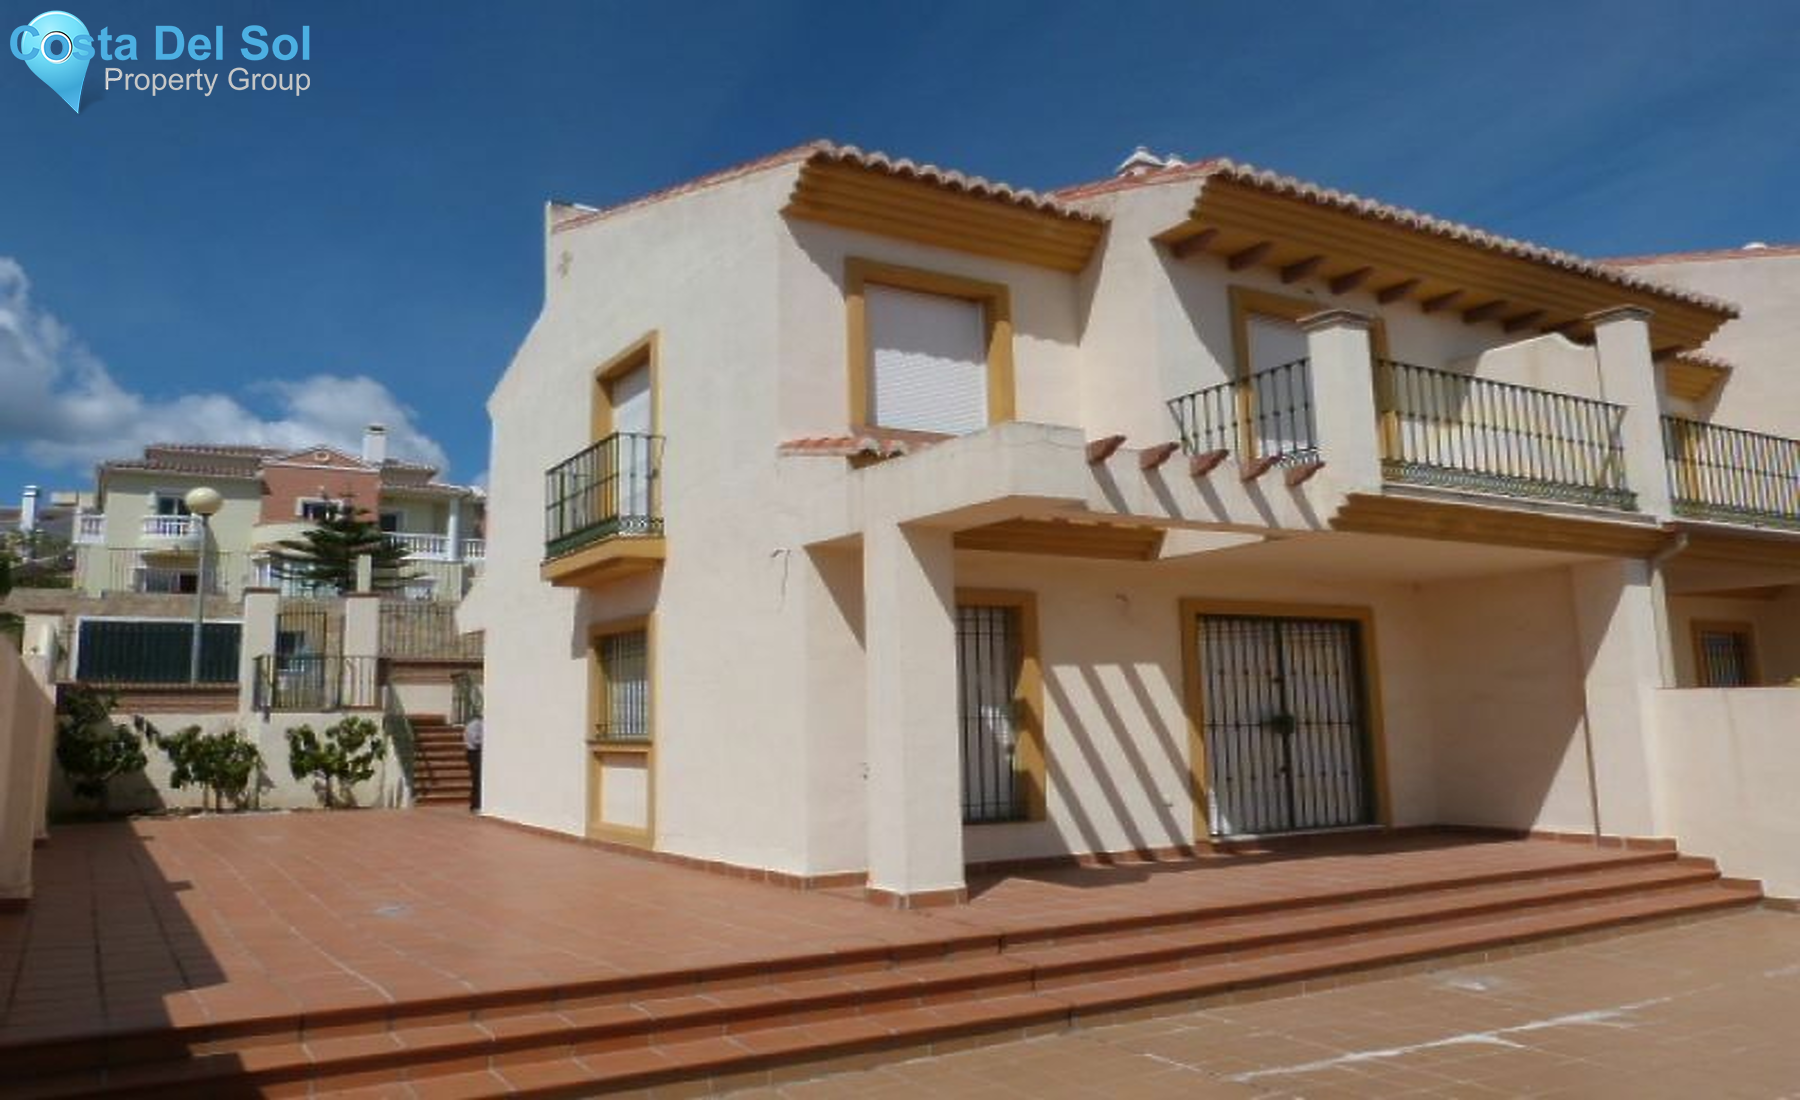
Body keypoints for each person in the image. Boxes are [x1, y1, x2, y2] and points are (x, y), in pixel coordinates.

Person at [463, 714, 484, 812]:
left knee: (477, 780)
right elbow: (475, 740)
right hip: (474, 753)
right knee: (477, 779)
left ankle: (476, 803)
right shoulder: (475, 724)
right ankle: (475, 804)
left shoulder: (474, 724)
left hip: (474, 753)